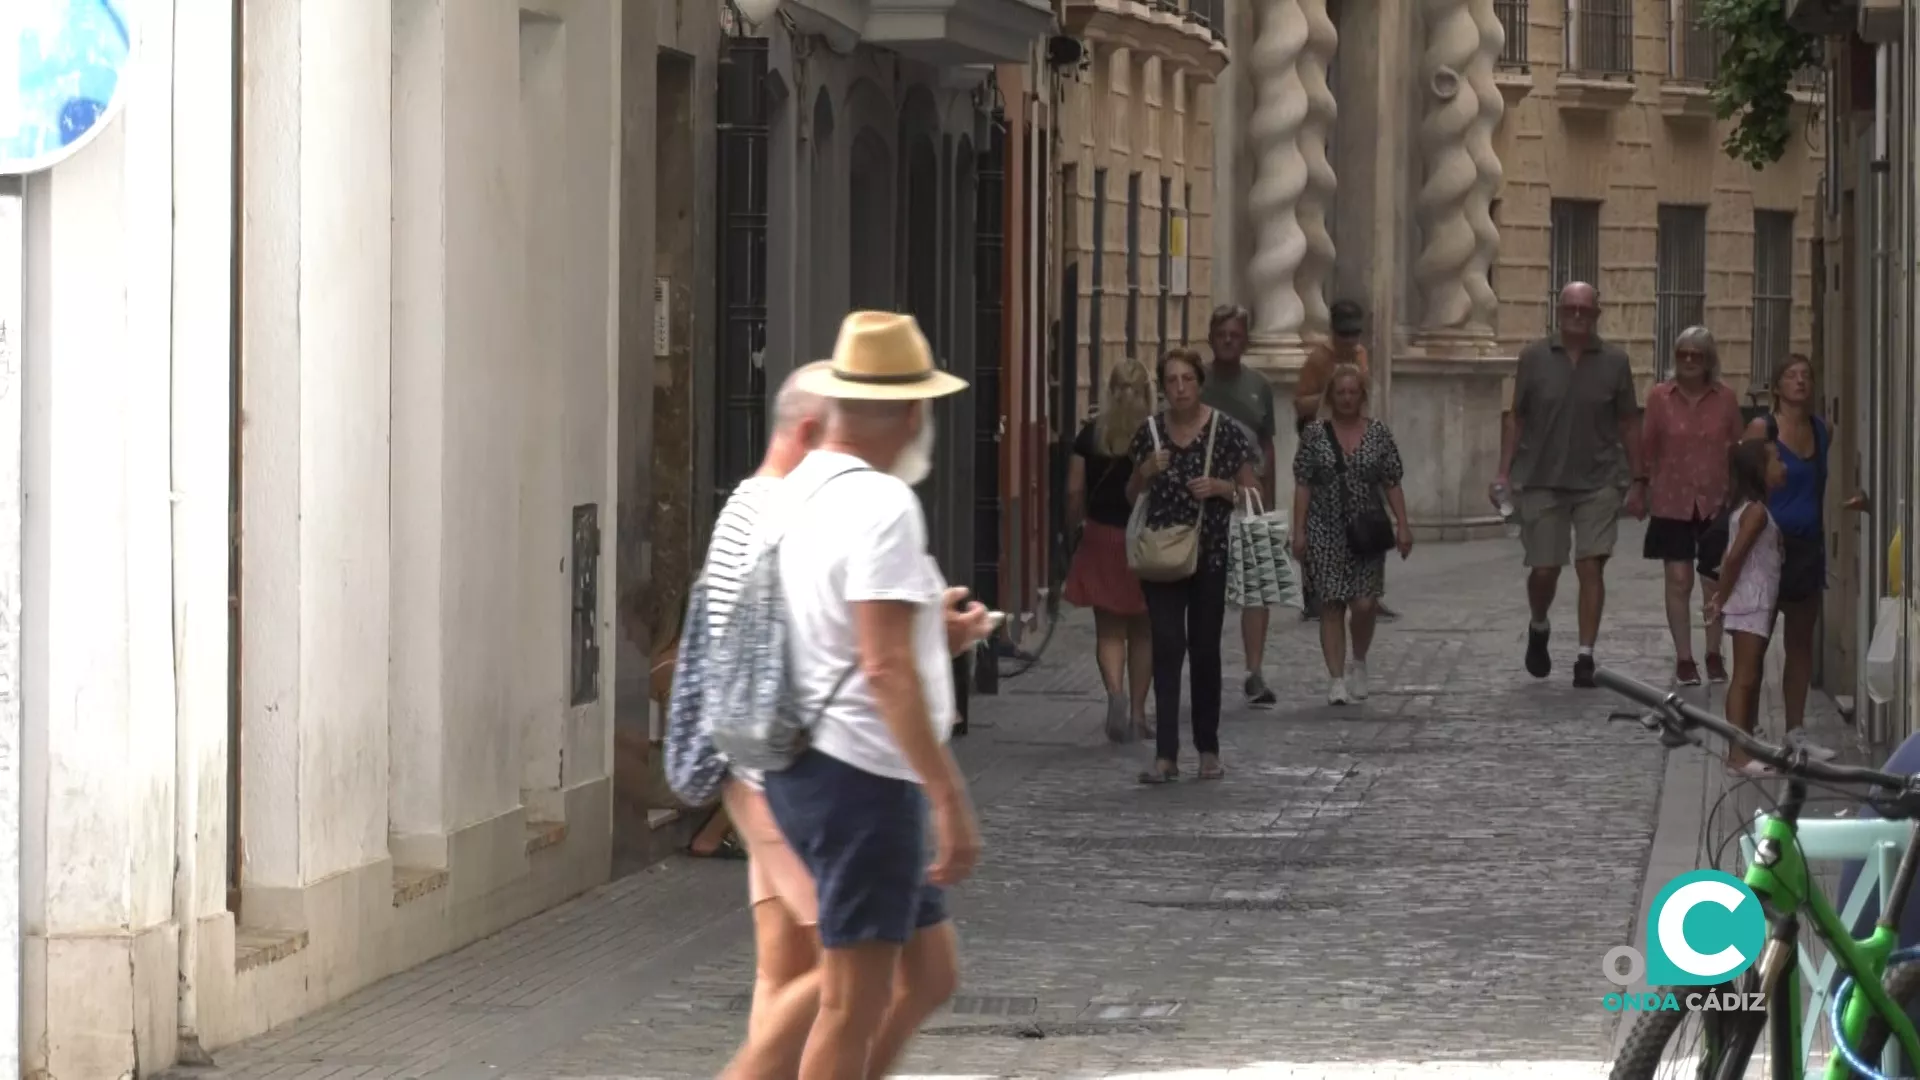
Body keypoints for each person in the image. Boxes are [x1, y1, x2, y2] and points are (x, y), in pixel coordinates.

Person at [767, 311, 992, 1080]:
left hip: (813, 763)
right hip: (862, 774)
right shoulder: (884, 504)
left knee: (930, 975)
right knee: (849, 1005)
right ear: (911, 411)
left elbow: (846, 628)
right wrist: (948, 796)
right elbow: (883, 667)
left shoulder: (803, 489)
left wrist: (940, 637)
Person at [708, 364, 834, 1079]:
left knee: (783, 970)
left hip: (758, 774)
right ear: (811, 432)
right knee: (853, 959)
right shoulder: (783, 514)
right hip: (783, 778)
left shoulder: (743, 507)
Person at [1493, 281, 1645, 689]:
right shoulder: (1534, 358)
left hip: (1599, 479)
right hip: (1543, 478)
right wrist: (1504, 473)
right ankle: (1539, 624)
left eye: (1585, 309)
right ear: (1559, 312)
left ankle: (1585, 655)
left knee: (1590, 563)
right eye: (1570, 308)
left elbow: (1629, 422)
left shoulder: (1615, 362)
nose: (1577, 315)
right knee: (1544, 570)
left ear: (1597, 314)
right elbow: (1516, 417)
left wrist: (1639, 478)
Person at [1127, 348, 1259, 784]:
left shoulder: (1226, 433)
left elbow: (1251, 493)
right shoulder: (1148, 432)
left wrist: (1223, 488)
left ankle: (1208, 749)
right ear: (1162, 388)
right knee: (1167, 648)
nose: (1179, 388)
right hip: (1162, 555)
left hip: (1209, 553)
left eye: (1187, 379)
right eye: (1171, 381)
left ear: (1199, 383)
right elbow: (1131, 496)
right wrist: (1145, 470)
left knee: (1204, 649)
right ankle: (1166, 755)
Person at [1743, 354, 1863, 759]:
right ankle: (1746, 727)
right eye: (1791, 376)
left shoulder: (1821, 430)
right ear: (1777, 387)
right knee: (1756, 642)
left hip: (1807, 547)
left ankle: (1795, 732)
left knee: (1799, 643)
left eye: (1806, 376)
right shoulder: (1763, 429)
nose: (1799, 382)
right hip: (1766, 545)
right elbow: (1744, 478)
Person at [1290, 365, 1413, 704]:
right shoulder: (1315, 434)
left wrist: (1402, 523)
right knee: (1331, 603)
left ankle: (1358, 659)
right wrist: (1298, 531)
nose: (1347, 399)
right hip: (1324, 527)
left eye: (1352, 392)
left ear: (1362, 395)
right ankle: (1336, 679)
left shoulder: (1378, 434)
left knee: (1365, 603)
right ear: (1331, 396)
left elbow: (1391, 481)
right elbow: (1303, 483)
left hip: (1366, 529)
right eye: (1340, 393)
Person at [1640, 326, 1744, 687]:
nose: (1687, 361)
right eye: (1682, 354)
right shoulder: (1659, 397)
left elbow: (1738, 449)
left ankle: (1714, 654)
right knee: (1678, 579)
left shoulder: (1726, 399)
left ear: (1708, 361)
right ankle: (1685, 659)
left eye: (1696, 355)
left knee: (1713, 580)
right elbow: (1647, 445)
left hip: (1717, 499)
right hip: (1673, 500)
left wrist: (1742, 497)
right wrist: (1640, 486)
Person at [1064, 357, 1155, 742]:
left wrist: (1073, 527)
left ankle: (1114, 694)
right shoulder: (1154, 436)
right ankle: (1137, 712)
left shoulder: (1090, 435)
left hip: (1101, 536)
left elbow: (1073, 490)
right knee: (1144, 631)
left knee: (1109, 630)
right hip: (1145, 541)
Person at [1294, 300, 1400, 624]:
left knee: (1366, 515)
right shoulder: (1318, 359)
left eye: (1354, 335)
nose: (1350, 342)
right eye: (1344, 335)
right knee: (1321, 520)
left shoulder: (1361, 355)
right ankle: (1315, 594)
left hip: (1357, 440)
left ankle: (1367, 591)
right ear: (1333, 332)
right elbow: (1299, 403)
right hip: (1323, 444)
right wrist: (1330, 393)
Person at [1199, 305, 1282, 704]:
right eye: (1221, 334)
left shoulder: (1259, 386)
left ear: (1245, 340)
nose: (1228, 340)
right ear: (1211, 338)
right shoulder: (1196, 383)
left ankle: (1254, 670)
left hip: (1251, 498)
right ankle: (1205, 665)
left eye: (1235, 334)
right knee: (1206, 588)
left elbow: (1268, 444)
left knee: (1258, 587)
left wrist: (1271, 499)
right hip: (1206, 498)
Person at [1703, 439, 1788, 776]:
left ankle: (1746, 744)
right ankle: (1737, 753)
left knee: (1749, 678)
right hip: (1750, 602)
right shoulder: (1755, 512)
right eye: (1777, 460)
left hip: (1755, 601)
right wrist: (1721, 598)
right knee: (1744, 678)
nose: (1783, 466)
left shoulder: (1752, 510)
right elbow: (1735, 557)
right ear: (1759, 471)